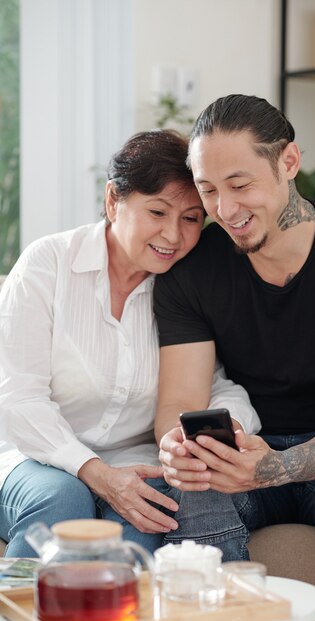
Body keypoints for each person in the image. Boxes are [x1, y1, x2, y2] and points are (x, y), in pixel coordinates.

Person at [153, 95, 315, 621]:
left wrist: (275, 467)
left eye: (241, 184)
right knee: (191, 493)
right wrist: (176, 448)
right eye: (208, 191)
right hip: (246, 448)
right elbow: (179, 402)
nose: (225, 210)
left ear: (288, 162)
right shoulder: (192, 271)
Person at [0, 128, 260, 557]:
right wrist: (95, 474)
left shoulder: (186, 288)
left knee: (148, 520)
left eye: (191, 218)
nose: (173, 236)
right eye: (157, 211)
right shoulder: (47, 265)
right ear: (112, 201)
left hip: (135, 463)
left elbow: (218, 386)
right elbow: (18, 398)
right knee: (63, 499)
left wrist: (224, 431)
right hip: (31, 455)